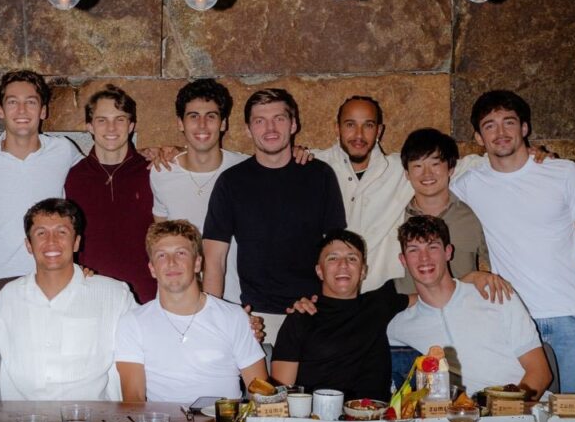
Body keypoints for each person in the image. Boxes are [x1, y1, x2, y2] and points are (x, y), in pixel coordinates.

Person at [451, 89, 575, 392]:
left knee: (573, 413)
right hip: (513, 320)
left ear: (524, 128)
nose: (500, 132)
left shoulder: (564, 173)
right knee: (519, 414)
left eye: (509, 122)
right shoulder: (469, 183)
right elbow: (430, 185)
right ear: (479, 137)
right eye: (490, 125)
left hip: (570, 317)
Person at [203, 88, 345, 346]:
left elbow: (337, 250)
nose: (270, 128)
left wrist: (331, 306)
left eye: (279, 118)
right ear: (248, 129)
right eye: (260, 121)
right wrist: (212, 321)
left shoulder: (320, 175)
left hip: (312, 312)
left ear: (293, 124)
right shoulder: (231, 182)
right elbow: (214, 260)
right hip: (255, 319)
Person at [386, 215, 553, 398]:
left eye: (432, 247)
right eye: (413, 250)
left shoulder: (495, 294)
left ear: (448, 252)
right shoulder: (400, 324)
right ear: (403, 260)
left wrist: (508, 410)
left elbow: (540, 373)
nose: (424, 258)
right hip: (463, 413)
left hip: (524, 407)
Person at [0, 198, 136, 401]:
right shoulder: (7, 297)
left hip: (91, 418)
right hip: (24, 418)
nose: (51, 241)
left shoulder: (114, 295)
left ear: (76, 242)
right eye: (41, 233)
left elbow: (142, 351)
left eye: (62, 232)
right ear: (28, 245)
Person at [0, 70, 82, 317]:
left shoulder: (63, 150)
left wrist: (152, 154)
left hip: (54, 277)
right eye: (12, 102)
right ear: (0, 110)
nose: (21, 110)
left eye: (31, 102)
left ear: (43, 111)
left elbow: (100, 171)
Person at [116, 220, 266, 402]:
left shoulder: (234, 317)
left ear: (197, 263)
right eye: (162, 255)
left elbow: (262, 395)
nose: (171, 262)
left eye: (180, 253)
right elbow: (133, 401)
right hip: (164, 420)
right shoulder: (133, 323)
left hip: (224, 419)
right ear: (152, 269)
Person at [272, 229, 407, 402]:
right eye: (333, 258)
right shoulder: (301, 316)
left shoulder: (379, 304)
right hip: (318, 417)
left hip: (375, 415)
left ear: (363, 271)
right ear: (319, 271)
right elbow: (280, 396)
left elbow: (430, 294)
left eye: (352, 258)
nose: (343, 264)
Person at [150, 79, 247, 303]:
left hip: (237, 300)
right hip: (179, 301)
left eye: (211, 116)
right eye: (193, 116)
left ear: (223, 123)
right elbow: (160, 239)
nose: (202, 125)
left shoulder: (244, 170)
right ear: (180, 123)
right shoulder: (162, 172)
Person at [64, 84, 156, 303]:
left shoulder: (152, 171)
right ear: (89, 126)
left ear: (131, 125)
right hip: (90, 295)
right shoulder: (74, 176)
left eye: (120, 119)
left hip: (146, 294)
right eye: (102, 120)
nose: (111, 128)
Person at [314, 95, 411, 292]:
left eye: (368, 125)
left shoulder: (401, 169)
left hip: (384, 296)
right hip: (326, 297)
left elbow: (452, 167)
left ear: (379, 130)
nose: (359, 135)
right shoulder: (312, 166)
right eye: (350, 124)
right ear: (337, 128)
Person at [394, 128, 489, 293]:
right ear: (407, 174)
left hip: (466, 307)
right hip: (409, 308)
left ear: (450, 169)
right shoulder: (394, 217)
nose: (427, 173)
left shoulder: (472, 215)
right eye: (418, 166)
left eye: (435, 164)